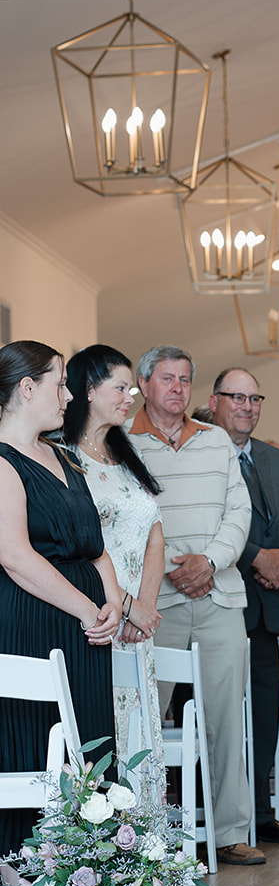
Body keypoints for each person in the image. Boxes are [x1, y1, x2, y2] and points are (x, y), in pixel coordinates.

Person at [128, 346, 256, 865]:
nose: (177, 388)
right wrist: (175, 574)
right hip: (155, 603)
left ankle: (230, 833)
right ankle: (141, 836)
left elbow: (239, 513)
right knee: (146, 720)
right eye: (167, 378)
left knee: (226, 719)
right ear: (143, 384)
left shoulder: (217, 440)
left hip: (220, 595)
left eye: (185, 379)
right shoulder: (123, 442)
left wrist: (210, 561)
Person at [0, 342, 121, 855]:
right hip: (34, 620)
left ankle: (94, 868)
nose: (70, 396)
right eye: (61, 384)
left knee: (89, 742)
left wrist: (113, 600)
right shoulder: (2, 462)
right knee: (36, 738)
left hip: (88, 626)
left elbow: (95, 544)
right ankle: (29, 871)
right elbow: (16, 557)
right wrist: (87, 608)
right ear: (27, 389)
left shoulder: (63, 457)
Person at [208, 367, 279, 845]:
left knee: (266, 711)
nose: (247, 406)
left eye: (255, 398)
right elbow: (210, 525)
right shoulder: (203, 452)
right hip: (221, 602)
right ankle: (217, 818)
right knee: (220, 716)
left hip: (272, 605)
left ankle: (262, 815)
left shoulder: (278, 458)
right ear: (215, 402)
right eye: (237, 397)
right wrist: (258, 559)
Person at [63, 344, 167, 809]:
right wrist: (124, 605)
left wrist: (144, 608)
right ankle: (103, 846)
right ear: (88, 389)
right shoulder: (63, 458)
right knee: (101, 726)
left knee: (138, 726)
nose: (130, 397)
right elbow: (83, 546)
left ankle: (145, 847)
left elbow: (155, 536)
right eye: (120, 387)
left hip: (137, 622)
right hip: (98, 612)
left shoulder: (128, 456)